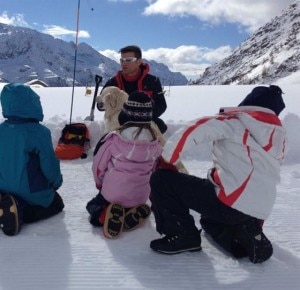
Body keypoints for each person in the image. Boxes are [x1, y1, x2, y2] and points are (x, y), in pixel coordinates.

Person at [149, 85, 286, 264]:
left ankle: (183, 235)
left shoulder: (235, 122)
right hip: (260, 209)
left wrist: (167, 159)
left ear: (248, 103)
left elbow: (194, 129)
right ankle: (241, 236)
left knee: (161, 180)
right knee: (208, 221)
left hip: (231, 203)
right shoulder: (279, 137)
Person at [87, 91, 163, 239]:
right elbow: (155, 169)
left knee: (93, 207)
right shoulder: (155, 144)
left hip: (113, 193)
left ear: (125, 114)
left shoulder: (113, 140)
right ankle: (130, 211)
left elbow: (98, 166)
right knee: (129, 198)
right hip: (141, 195)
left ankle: (104, 215)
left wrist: (100, 183)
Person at [0, 83, 64, 236]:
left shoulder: (1, 130)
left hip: (3, 188)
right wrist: (56, 183)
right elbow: (49, 164)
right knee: (57, 204)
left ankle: (5, 203)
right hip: (31, 192)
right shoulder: (39, 132)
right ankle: (21, 211)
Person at [97, 45, 168, 134]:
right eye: (122, 60)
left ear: (138, 62)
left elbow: (161, 105)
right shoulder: (113, 82)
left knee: (161, 125)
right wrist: (109, 103)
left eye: (129, 60)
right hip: (118, 123)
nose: (124, 63)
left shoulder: (152, 81)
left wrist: (142, 116)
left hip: (144, 121)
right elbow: (99, 106)